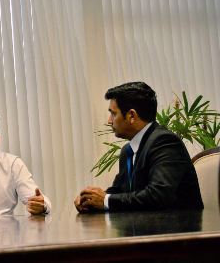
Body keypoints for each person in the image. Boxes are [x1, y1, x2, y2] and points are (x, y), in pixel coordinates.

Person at [74, 82, 203, 213]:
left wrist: (106, 200)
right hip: (143, 228)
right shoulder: (127, 151)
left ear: (131, 116)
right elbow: (120, 190)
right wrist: (90, 200)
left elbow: (158, 196)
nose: (109, 121)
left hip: (177, 231)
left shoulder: (165, 142)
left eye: (113, 113)